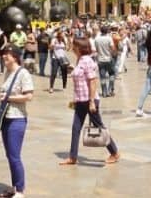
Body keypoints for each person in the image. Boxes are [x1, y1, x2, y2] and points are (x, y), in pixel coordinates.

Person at [59, 37, 120, 166]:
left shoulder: (86, 60)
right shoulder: (80, 60)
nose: (71, 47)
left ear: (78, 47)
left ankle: (114, 152)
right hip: (80, 100)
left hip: (89, 100)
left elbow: (93, 81)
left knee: (100, 127)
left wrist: (92, 101)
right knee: (76, 128)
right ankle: (72, 157)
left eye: (73, 45)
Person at [0, 45, 34, 198]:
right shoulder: (8, 72)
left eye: (8, 54)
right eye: (4, 54)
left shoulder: (23, 73)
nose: (5, 57)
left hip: (17, 118)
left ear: (16, 57)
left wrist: (8, 98)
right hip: (6, 117)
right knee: (10, 154)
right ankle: (14, 187)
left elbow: (29, 96)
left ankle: (20, 190)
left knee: (14, 155)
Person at [94, 26, 116, 97]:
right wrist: (113, 54)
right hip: (109, 59)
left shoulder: (97, 39)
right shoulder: (109, 38)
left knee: (102, 76)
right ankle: (110, 90)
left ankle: (104, 92)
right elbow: (112, 48)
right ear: (107, 31)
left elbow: (96, 49)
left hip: (100, 60)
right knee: (111, 74)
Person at [48, 29, 69, 94]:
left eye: (63, 34)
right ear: (59, 35)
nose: (63, 35)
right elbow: (50, 48)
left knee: (64, 73)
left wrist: (67, 44)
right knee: (54, 72)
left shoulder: (64, 40)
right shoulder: (54, 40)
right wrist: (53, 45)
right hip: (55, 58)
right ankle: (51, 87)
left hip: (62, 58)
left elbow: (67, 48)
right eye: (62, 34)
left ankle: (64, 86)